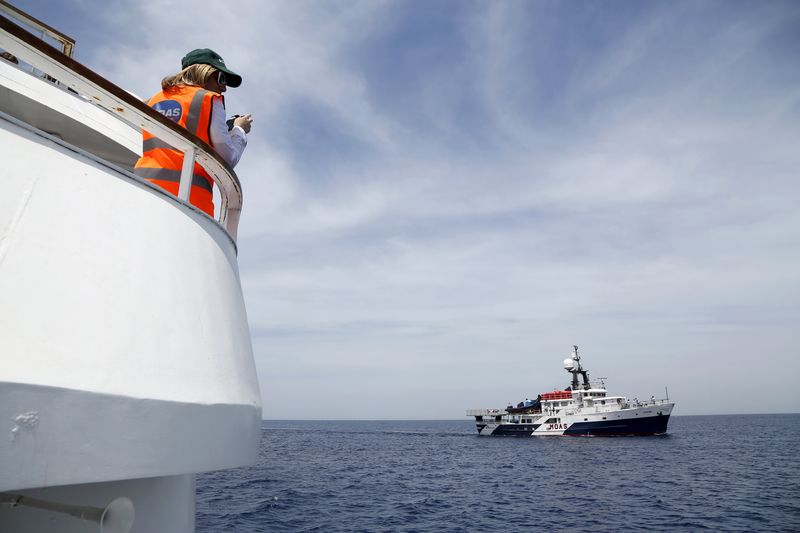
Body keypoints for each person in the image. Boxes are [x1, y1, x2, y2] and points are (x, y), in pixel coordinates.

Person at [134, 48, 252, 216]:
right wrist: (239, 131)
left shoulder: (152, 101)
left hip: (142, 191)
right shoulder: (209, 99)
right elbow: (227, 158)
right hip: (190, 205)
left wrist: (225, 128)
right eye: (221, 79)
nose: (224, 88)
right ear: (204, 72)